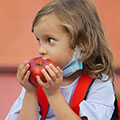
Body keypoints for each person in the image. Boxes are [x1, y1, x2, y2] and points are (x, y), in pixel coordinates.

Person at [5, 0, 116, 119]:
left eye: (50, 40)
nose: (41, 50)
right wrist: (30, 92)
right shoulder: (37, 82)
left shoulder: (99, 84)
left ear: (81, 43)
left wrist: (53, 94)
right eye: (39, 41)